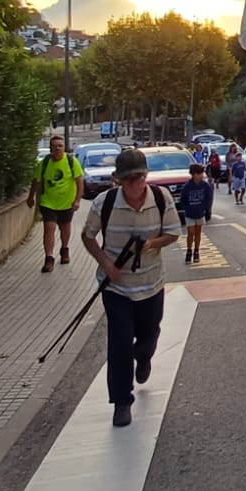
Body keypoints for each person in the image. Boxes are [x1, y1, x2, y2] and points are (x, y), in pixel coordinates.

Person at [81, 149, 178, 427]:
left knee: (149, 334)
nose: (136, 185)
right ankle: (122, 402)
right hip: (116, 288)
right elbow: (87, 236)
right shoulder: (105, 203)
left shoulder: (160, 198)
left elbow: (172, 233)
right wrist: (106, 263)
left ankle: (144, 358)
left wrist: (150, 244)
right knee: (120, 343)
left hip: (151, 283)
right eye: (130, 180)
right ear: (119, 180)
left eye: (140, 178)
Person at [26, 135, 83, 273]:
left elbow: (80, 182)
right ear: (50, 148)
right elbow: (36, 181)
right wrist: (31, 197)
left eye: (60, 146)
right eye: (54, 146)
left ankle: (64, 249)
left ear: (64, 148)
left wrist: (77, 200)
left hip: (66, 202)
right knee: (49, 228)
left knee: (65, 228)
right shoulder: (44, 163)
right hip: (48, 202)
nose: (57, 149)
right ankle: (49, 258)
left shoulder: (72, 162)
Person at [176, 163, 213, 264]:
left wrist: (205, 208)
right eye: (199, 173)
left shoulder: (204, 185)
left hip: (200, 212)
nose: (201, 175)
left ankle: (196, 251)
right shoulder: (187, 186)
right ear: (193, 174)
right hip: (190, 213)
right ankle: (189, 251)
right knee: (191, 232)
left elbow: (208, 198)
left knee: (198, 233)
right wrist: (187, 209)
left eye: (201, 173)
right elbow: (183, 200)